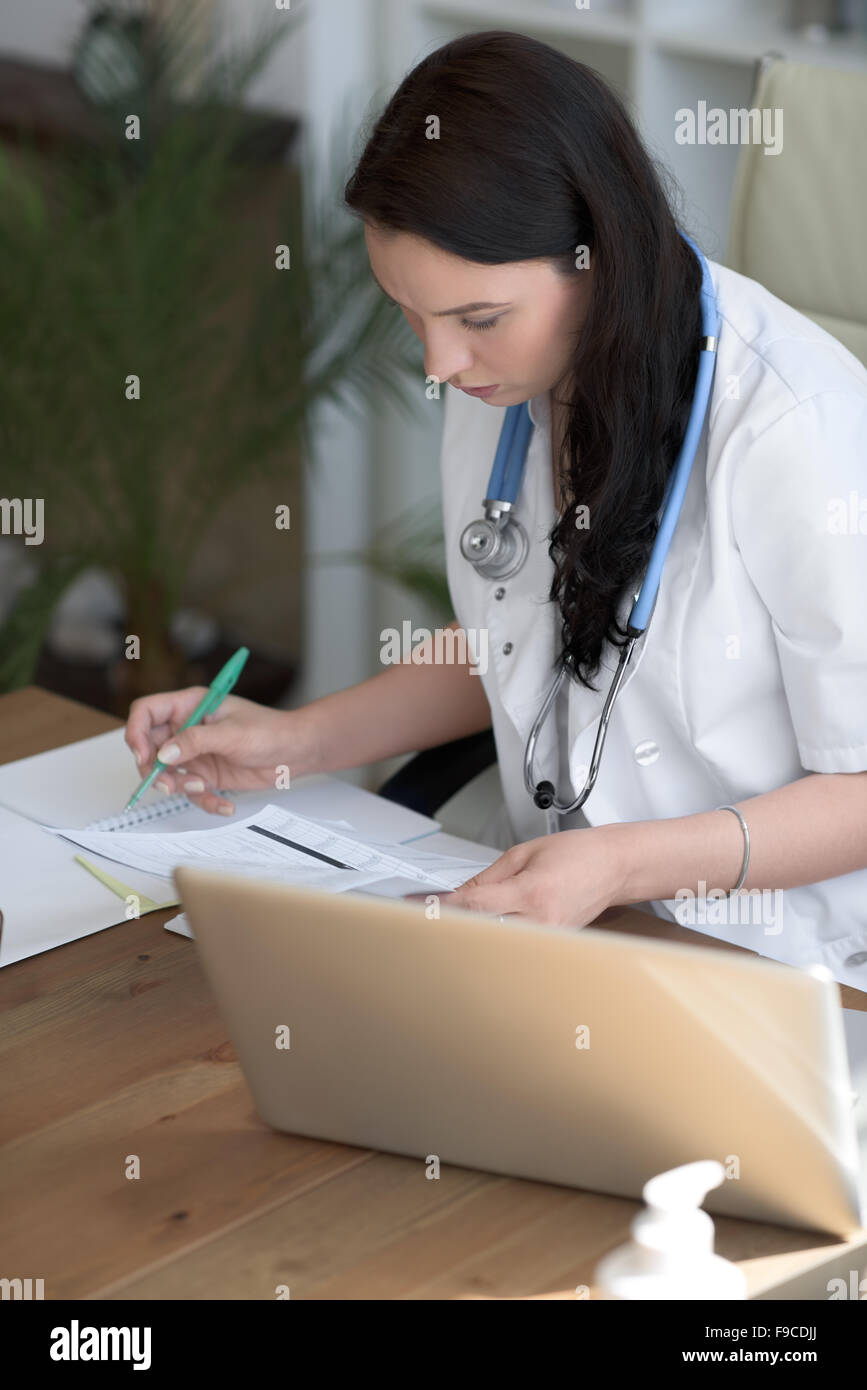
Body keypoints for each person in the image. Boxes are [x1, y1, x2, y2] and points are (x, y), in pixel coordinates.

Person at [125, 31, 867, 988]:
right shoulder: (509, 388)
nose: (438, 365)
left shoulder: (794, 433)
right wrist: (288, 743)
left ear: (600, 258)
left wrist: (623, 863)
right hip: (561, 931)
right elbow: (517, 636)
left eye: (475, 320)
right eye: (407, 310)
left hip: (787, 966)